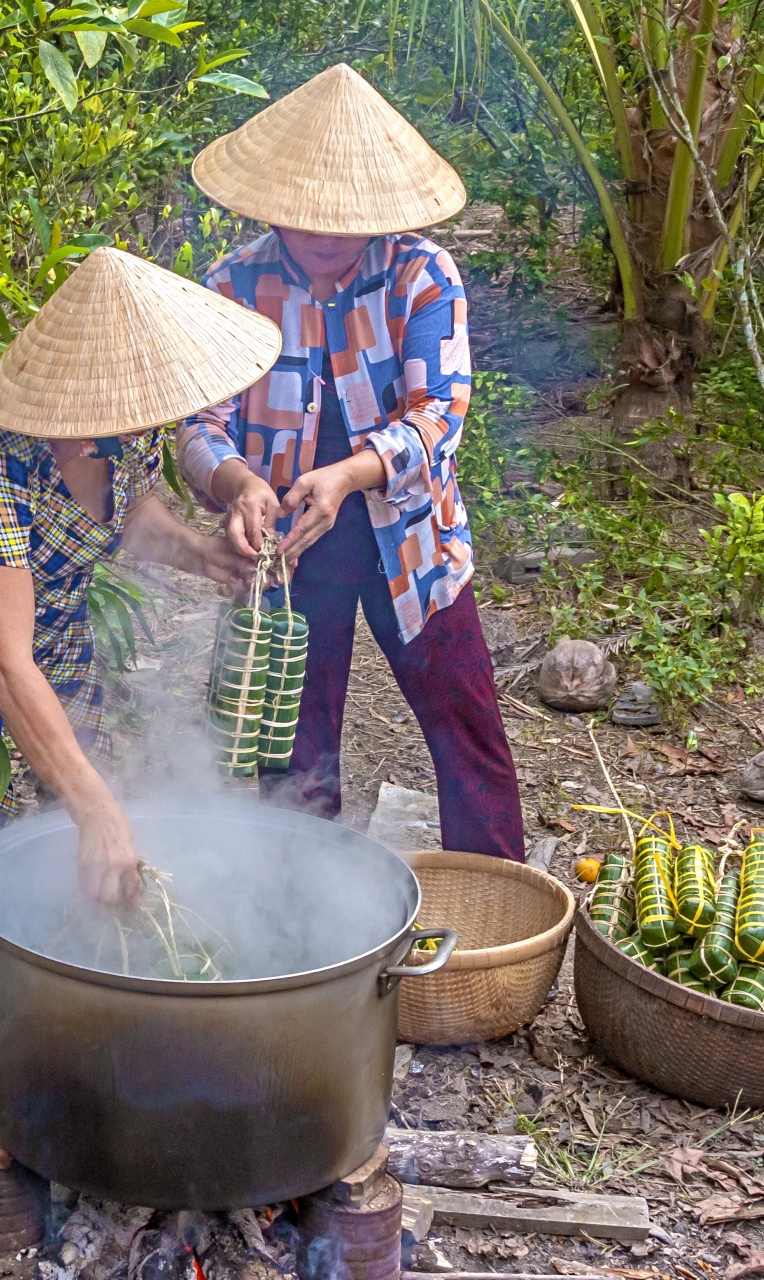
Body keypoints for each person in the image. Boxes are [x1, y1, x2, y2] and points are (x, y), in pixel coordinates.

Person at [0, 246, 284, 977]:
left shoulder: (126, 423)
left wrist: (202, 555)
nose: (145, 427)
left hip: (53, 621)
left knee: (95, 773)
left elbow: (126, 511)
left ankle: (95, 960)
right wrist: (96, 811)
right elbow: (3, 659)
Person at [178, 63, 526, 862]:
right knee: (294, 753)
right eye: (306, 217)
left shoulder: (420, 274)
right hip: (291, 548)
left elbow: (440, 414)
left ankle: (497, 903)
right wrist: (238, 483)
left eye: (346, 218)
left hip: (412, 538)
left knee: (465, 732)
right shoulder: (234, 283)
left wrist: (347, 474)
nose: (325, 234)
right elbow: (200, 425)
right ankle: (301, 916)